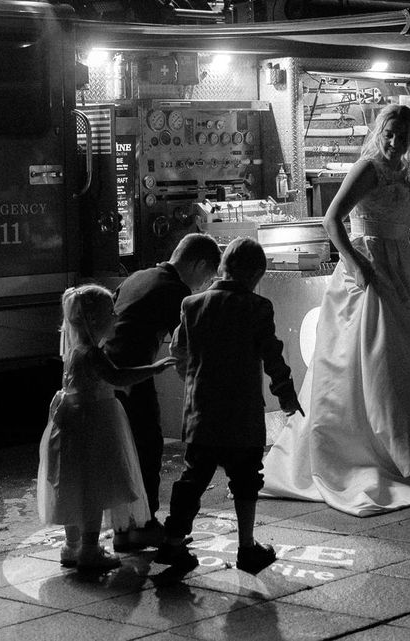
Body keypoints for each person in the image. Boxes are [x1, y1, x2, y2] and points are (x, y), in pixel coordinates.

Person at [262, 105, 410, 514]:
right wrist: (357, 262)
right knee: (377, 354)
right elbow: (332, 219)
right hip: (372, 266)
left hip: (402, 265)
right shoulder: (368, 167)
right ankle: (374, 448)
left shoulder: (404, 170)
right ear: (380, 131)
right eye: (390, 133)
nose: (396, 141)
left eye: (403, 135)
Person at [156, 238, 300, 575]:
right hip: (242, 415)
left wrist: (192, 380)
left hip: (201, 412)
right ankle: (247, 547)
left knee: (192, 478)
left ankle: (174, 542)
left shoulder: (191, 305)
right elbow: (273, 356)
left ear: (223, 267)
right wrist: (286, 395)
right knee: (246, 478)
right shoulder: (258, 307)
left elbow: (178, 350)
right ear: (255, 275)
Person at [36, 284, 177, 572]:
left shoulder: (74, 352)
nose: (116, 316)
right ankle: (89, 549)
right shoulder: (92, 353)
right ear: (96, 320)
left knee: (73, 487)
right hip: (95, 425)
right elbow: (118, 377)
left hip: (72, 424)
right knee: (96, 486)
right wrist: (155, 368)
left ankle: (71, 546)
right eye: (111, 312)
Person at [103, 233, 221, 552]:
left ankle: (123, 528)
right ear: (197, 265)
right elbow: (187, 343)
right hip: (131, 374)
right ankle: (144, 525)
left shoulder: (138, 277)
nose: (203, 286)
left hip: (104, 369)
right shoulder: (175, 290)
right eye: (207, 277)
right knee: (147, 445)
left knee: (123, 452)